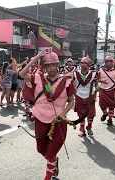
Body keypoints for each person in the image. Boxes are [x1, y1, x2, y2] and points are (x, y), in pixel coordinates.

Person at [19, 50, 77, 180]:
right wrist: (37, 57)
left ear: (58, 65)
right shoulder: (38, 78)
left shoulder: (67, 80)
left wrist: (63, 114)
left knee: (51, 152)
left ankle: (48, 175)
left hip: (58, 122)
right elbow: (22, 74)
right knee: (41, 150)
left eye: (54, 65)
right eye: (48, 65)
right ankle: (53, 162)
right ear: (44, 66)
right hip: (40, 119)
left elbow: (72, 100)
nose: (52, 68)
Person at [73, 56, 98, 137]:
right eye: (82, 63)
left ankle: (89, 127)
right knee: (81, 114)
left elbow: (96, 84)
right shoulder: (75, 73)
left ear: (89, 65)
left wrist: (97, 91)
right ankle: (82, 129)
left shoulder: (94, 73)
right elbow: (72, 84)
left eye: (85, 63)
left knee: (91, 114)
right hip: (79, 95)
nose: (83, 65)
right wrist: (73, 93)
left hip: (90, 96)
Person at [98, 56, 115, 126]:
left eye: (110, 62)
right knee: (101, 104)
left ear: (113, 62)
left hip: (112, 90)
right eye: (107, 62)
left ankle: (110, 119)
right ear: (105, 62)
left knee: (111, 105)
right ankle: (105, 113)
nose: (109, 63)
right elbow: (97, 79)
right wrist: (102, 81)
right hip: (102, 90)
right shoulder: (101, 70)